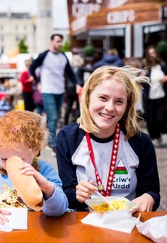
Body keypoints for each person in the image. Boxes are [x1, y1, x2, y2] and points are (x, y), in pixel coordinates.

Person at [56, 66, 160, 212]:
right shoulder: (67, 137)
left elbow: (152, 192)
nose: (110, 107)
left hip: (126, 221)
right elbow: (66, 195)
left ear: (127, 106)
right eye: (103, 98)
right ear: (87, 98)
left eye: (119, 101)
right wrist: (77, 195)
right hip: (84, 223)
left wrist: (149, 197)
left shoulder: (141, 141)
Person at [0, 110, 68, 225]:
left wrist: (48, 188)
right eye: (3, 158)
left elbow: (59, 210)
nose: (9, 164)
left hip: (33, 230)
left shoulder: (45, 171)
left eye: (18, 159)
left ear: (35, 149)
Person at [29, 34, 82, 154]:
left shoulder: (63, 56)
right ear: (51, 41)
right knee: (52, 116)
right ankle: (52, 143)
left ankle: (47, 135)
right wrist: (37, 81)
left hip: (60, 90)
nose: (60, 44)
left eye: (61, 42)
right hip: (47, 90)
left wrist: (77, 84)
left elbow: (70, 72)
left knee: (56, 116)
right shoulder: (44, 55)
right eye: (58, 41)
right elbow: (32, 67)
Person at [142, 45, 167, 147]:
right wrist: (142, 77)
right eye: (151, 53)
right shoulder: (146, 68)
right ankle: (154, 137)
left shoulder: (162, 65)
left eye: (154, 53)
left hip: (161, 96)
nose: (153, 55)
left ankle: (160, 134)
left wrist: (165, 78)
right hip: (150, 97)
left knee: (160, 118)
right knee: (151, 119)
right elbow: (142, 80)